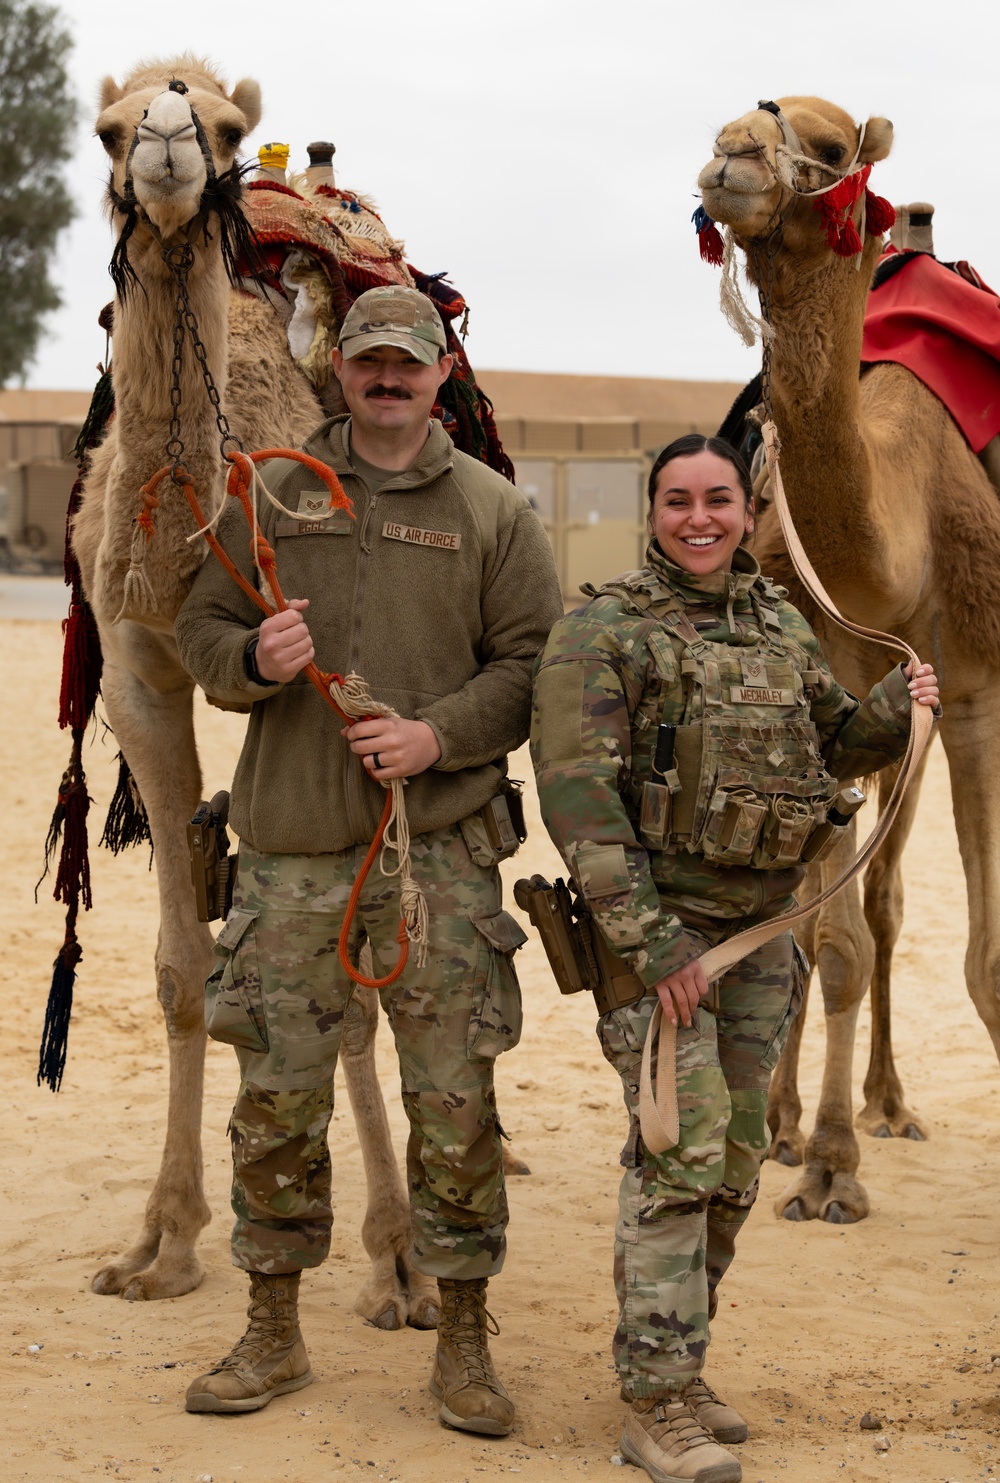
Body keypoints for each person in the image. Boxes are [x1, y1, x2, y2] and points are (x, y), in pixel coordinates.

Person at [174, 285, 563, 1433]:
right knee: (276, 1102)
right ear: (338, 370)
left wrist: (437, 733)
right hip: (291, 853)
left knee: (454, 1106)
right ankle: (273, 1333)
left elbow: (531, 661)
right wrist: (254, 652)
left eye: (408, 363)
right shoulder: (272, 492)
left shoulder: (492, 510)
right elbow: (200, 633)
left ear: (441, 375)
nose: (387, 380)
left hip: (433, 858)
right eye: (368, 362)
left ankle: (462, 1345)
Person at [529, 434, 939, 1483]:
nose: (700, 518)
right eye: (678, 500)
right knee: (682, 1145)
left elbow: (833, 743)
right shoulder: (604, 629)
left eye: (718, 499)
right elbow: (578, 800)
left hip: (761, 941)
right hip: (656, 946)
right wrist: (654, 945)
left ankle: (680, 1356)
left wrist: (895, 711)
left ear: (743, 511)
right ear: (651, 509)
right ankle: (654, 1401)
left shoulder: (780, 627)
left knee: (741, 1153)